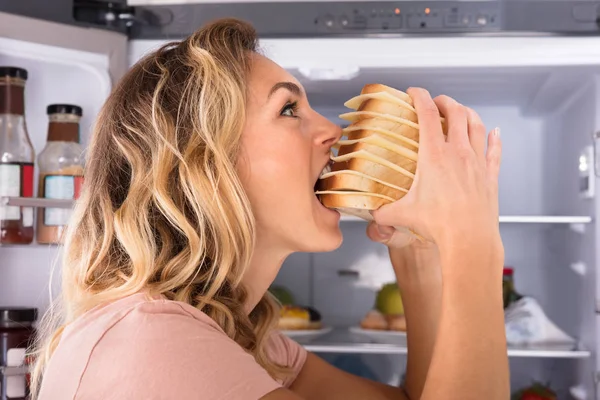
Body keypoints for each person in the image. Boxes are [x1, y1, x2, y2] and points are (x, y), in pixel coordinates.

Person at [31, 18, 508, 400]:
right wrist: (475, 241)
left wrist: (420, 255)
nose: (333, 132)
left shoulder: (236, 339)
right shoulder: (151, 344)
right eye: (288, 110)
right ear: (205, 166)